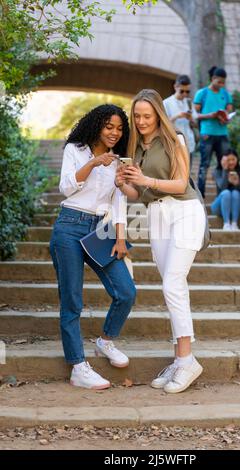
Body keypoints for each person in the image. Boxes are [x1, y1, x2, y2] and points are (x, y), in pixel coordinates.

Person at [115, 89, 205, 394]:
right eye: (137, 116)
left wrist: (146, 180)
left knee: (173, 284)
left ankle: (187, 359)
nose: (140, 121)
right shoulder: (137, 146)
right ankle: (181, 361)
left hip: (184, 213)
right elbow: (138, 195)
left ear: (158, 115)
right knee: (170, 285)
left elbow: (180, 183)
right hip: (156, 217)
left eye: (147, 116)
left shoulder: (175, 139)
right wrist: (124, 183)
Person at [49, 104, 136, 390]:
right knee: (72, 300)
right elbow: (66, 187)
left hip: (101, 229)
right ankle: (78, 366)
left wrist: (121, 238)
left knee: (126, 291)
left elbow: (119, 200)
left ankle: (105, 341)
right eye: (109, 126)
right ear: (97, 125)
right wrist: (93, 164)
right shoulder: (76, 149)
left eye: (119, 128)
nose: (114, 132)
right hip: (69, 226)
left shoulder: (118, 161)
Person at [193, 66, 233, 198]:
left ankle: (223, 193)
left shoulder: (225, 94)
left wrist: (225, 119)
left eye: (223, 82)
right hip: (207, 133)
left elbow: (229, 111)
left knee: (224, 164)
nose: (221, 85)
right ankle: (200, 194)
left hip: (222, 134)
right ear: (213, 79)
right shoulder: (202, 93)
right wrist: (210, 115)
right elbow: (194, 114)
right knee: (205, 164)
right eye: (219, 82)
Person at [163, 74, 198, 164]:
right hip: (174, 143)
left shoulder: (189, 102)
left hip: (189, 143)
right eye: (182, 91)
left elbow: (195, 124)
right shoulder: (166, 103)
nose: (185, 94)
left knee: (188, 174)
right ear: (175, 87)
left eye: (187, 92)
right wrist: (177, 116)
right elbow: (163, 124)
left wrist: (191, 119)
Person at [211, 149, 240, 231]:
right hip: (219, 207)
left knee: (235, 193)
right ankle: (226, 223)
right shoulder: (217, 171)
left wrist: (237, 183)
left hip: (236, 208)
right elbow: (222, 187)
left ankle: (234, 223)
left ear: (237, 159)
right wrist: (225, 170)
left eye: (233, 159)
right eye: (228, 160)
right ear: (222, 160)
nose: (231, 162)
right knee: (226, 193)